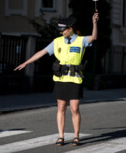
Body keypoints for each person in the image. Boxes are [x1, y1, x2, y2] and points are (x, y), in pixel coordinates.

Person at [14, 11, 99, 146]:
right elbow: (42, 52)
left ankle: (76, 136)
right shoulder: (57, 42)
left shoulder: (80, 40)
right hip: (61, 79)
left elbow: (94, 37)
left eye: (63, 30)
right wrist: (26, 62)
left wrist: (94, 23)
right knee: (61, 107)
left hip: (75, 79)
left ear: (70, 29)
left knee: (74, 108)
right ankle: (61, 136)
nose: (61, 33)